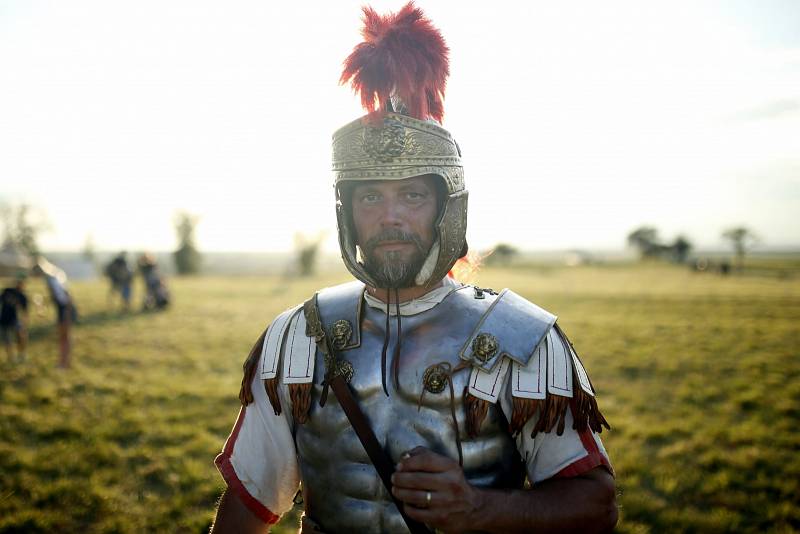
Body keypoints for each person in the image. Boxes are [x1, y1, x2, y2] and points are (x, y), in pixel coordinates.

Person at [211, 4, 616, 533]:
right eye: (372, 197)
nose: (391, 217)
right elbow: (247, 505)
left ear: (448, 208)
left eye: (413, 195)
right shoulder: (296, 337)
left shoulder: (522, 339)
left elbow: (595, 506)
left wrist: (481, 509)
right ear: (347, 213)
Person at [32, 258, 77, 368]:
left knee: (64, 337)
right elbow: (60, 296)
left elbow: (63, 298)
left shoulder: (51, 280)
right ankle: (64, 362)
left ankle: (64, 363)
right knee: (64, 337)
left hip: (65, 310)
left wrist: (42, 304)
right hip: (64, 309)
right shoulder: (54, 276)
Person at [0, 271, 29, 362]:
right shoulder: (7, 291)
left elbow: (25, 312)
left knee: (21, 336)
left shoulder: (23, 297)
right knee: (7, 340)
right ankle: (11, 358)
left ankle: (22, 354)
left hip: (14, 319)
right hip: (3, 319)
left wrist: (24, 324)